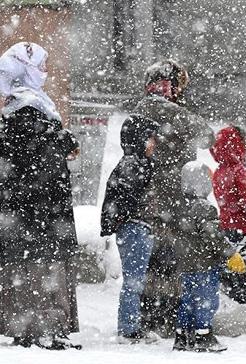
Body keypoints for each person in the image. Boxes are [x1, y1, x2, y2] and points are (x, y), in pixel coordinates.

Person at [0, 42, 81, 349]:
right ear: (26, 69)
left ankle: (34, 327)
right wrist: (59, 142)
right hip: (39, 214)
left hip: (25, 215)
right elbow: (37, 164)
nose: (46, 72)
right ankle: (42, 328)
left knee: (29, 268)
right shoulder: (28, 110)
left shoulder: (24, 107)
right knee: (42, 269)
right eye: (41, 66)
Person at [133, 59, 216, 336]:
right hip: (164, 198)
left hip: (163, 197)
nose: (180, 90)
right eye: (178, 84)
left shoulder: (151, 107)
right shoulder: (158, 107)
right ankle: (160, 317)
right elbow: (206, 135)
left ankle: (158, 315)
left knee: (161, 259)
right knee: (165, 257)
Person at [171, 161, 246, 352]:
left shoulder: (178, 206)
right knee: (206, 301)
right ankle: (203, 336)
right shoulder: (204, 208)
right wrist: (231, 254)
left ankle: (183, 336)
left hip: (184, 265)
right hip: (203, 264)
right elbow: (213, 236)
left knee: (186, 301)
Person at [100, 115, 160, 344]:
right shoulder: (133, 165)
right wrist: (132, 218)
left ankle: (133, 324)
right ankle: (128, 329)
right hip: (135, 229)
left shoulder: (139, 163)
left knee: (137, 281)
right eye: (150, 139)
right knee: (134, 281)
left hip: (139, 227)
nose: (153, 144)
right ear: (138, 139)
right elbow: (124, 200)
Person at [209, 125, 246, 243]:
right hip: (243, 228)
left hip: (226, 226)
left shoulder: (220, 171)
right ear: (238, 145)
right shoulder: (238, 171)